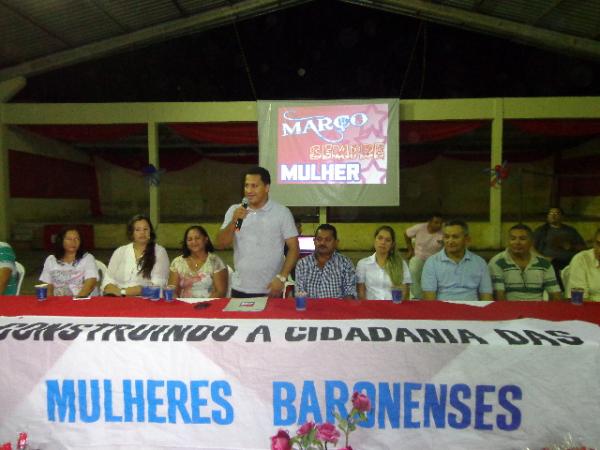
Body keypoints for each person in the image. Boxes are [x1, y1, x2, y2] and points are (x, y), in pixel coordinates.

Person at [216, 166, 299, 298]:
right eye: (246, 186)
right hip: (240, 288)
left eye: (254, 186)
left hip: (271, 289)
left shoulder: (281, 213)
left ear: (266, 188)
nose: (249, 191)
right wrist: (234, 221)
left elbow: (294, 248)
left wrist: (282, 278)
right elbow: (221, 244)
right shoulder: (236, 211)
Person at [421, 220, 492, 301]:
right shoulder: (432, 262)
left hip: (473, 310)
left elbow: (486, 296)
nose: (450, 241)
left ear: (467, 239)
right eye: (446, 237)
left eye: (455, 237)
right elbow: (429, 298)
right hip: (442, 310)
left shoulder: (480, 263)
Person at [488, 224, 561, 301]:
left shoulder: (544, 264)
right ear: (508, 241)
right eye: (513, 239)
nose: (517, 242)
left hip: (537, 309)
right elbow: (499, 296)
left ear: (532, 242)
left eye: (522, 239)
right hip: (509, 309)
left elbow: (555, 294)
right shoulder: (497, 262)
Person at [102, 214, 169, 296]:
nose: (142, 232)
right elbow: (107, 281)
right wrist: (120, 292)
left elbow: (158, 286)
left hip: (145, 301)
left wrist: (125, 292)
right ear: (131, 233)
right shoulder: (120, 251)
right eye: (137, 230)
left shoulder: (159, 252)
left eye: (145, 229)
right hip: (117, 298)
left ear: (150, 232)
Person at [295, 224, 357, 299]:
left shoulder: (345, 263)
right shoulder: (303, 264)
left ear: (336, 242)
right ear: (314, 241)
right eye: (319, 239)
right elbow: (300, 292)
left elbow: (350, 292)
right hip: (311, 308)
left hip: (337, 309)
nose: (322, 243)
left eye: (328, 240)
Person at [533, 207, 586, 290]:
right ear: (547, 216)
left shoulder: (570, 231)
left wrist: (571, 246)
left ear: (562, 217)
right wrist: (544, 258)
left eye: (556, 213)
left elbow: (583, 247)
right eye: (550, 213)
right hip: (551, 262)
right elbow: (531, 248)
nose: (553, 216)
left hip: (570, 262)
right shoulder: (542, 231)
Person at [168, 225, 228, 298]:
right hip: (183, 307)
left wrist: (204, 306)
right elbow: (172, 291)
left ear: (206, 239)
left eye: (197, 238)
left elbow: (220, 292)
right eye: (190, 239)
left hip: (209, 306)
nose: (194, 242)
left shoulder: (215, 261)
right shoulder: (177, 262)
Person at [39, 228, 99, 297]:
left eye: (77, 239)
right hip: (58, 301)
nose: (73, 242)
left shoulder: (88, 258)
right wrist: (50, 303)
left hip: (82, 300)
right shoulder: (51, 260)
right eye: (69, 239)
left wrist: (77, 301)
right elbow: (47, 285)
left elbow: (90, 284)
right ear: (61, 241)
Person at [357, 226, 411, 300]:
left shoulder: (401, 264)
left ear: (392, 244)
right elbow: (361, 293)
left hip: (394, 308)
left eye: (388, 240)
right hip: (370, 308)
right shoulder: (363, 264)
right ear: (374, 240)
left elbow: (405, 293)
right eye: (380, 238)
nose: (383, 242)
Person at [404, 214, 444, 299]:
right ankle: (417, 296)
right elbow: (406, 234)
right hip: (419, 257)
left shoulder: (444, 231)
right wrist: (410, 249)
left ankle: (436, 296)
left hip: (436, 260)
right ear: (429, 222)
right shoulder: (420, 228)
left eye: (441, 223)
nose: (439, 225)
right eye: (436, 222)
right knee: (413, 269)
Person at [567, 228, 600, 301]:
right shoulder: (581, 259)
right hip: (591, 309)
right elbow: (578, 299)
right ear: (594, 243)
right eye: (598, 244)